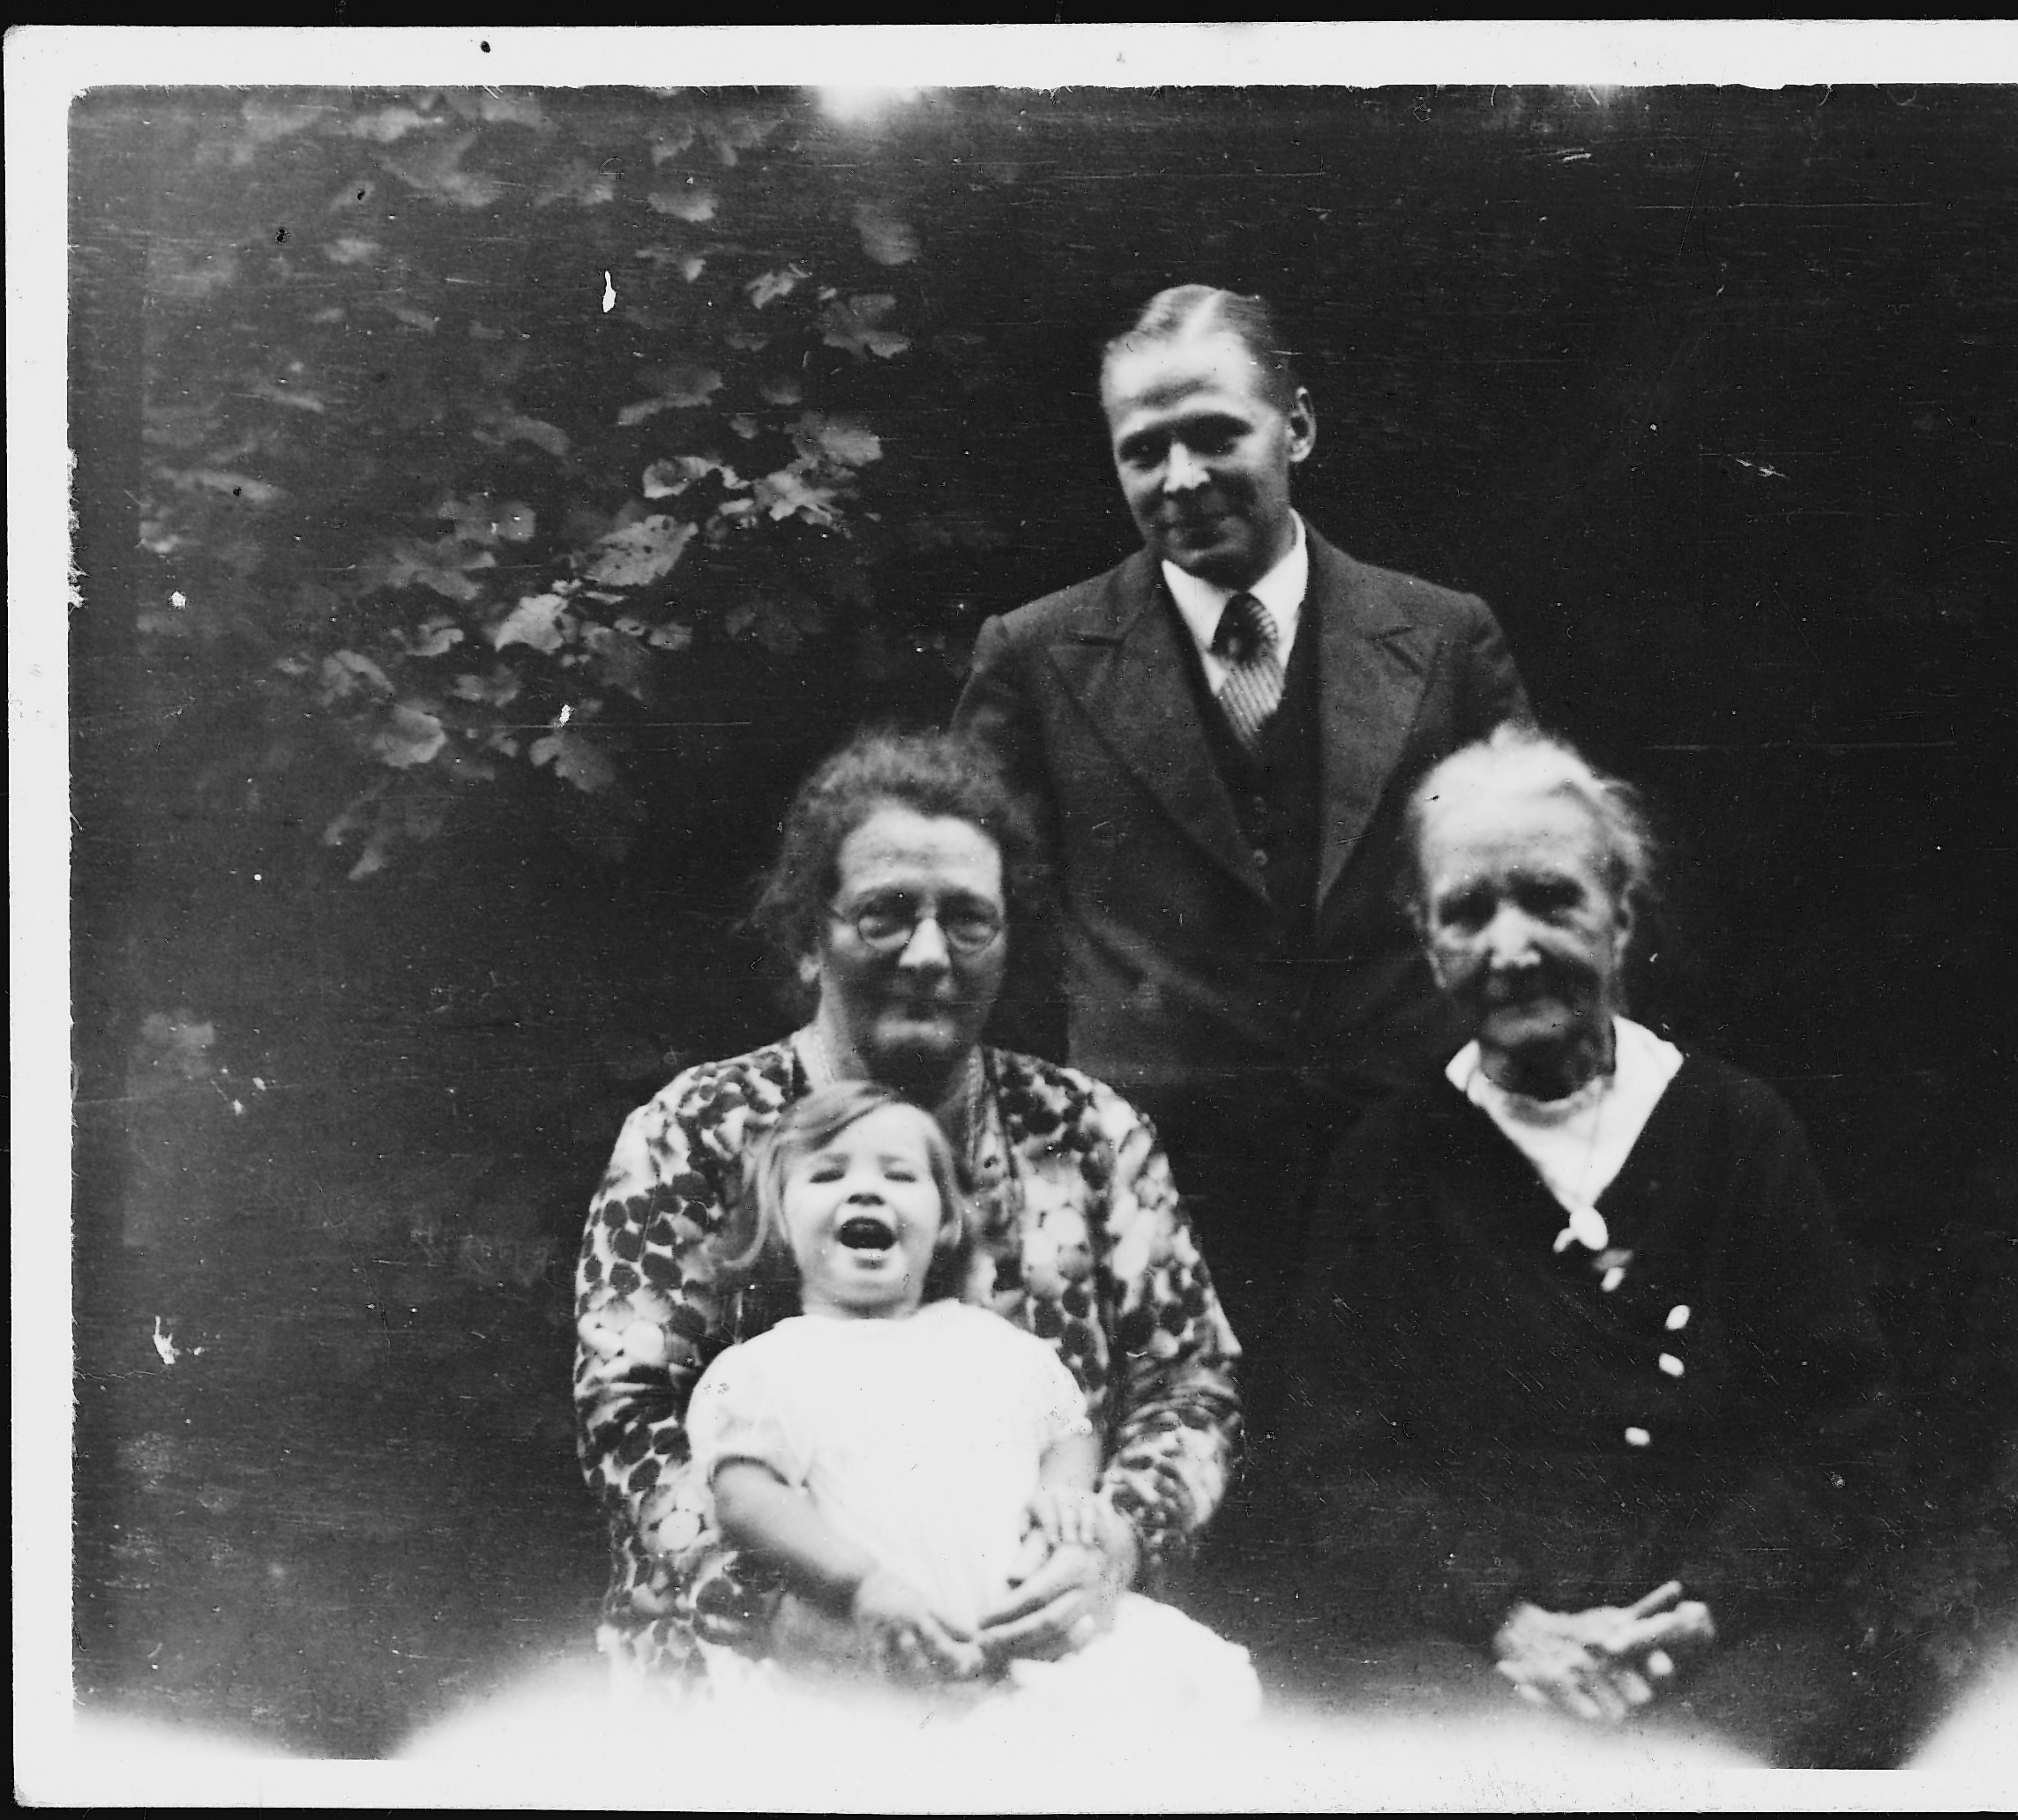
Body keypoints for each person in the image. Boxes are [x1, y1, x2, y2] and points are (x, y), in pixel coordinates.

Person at [1280, 723, 1900, 1767]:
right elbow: (1343, 1465)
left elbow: (1841, 1434)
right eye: (1468, 912)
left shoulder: (1737, 1132)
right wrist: (1509, 1626)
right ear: (1428, 942)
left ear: (1620, 914)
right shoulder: (1385, 1168)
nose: (1510, 948)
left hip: (1721, 1645)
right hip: (1473, 1656)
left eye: (1551, 898)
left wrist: (1703, 1611)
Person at [573, 727, 1241, 1687]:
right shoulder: (695, 1133)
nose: (930, 953)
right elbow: (628, 1420)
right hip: (763, 1666)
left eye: (969, 919)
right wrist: (774, 1613)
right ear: (810, 936)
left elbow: (1194, 1388)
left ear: (1009, 941)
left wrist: (1114, 1545)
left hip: (1041, 1655)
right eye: (887, 913)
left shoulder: (1091, 1135)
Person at [949, 285, 1534, 1367]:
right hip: (1148, 1188)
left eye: (1217, 435)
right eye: (1144, 451)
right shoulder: (1034, 657)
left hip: (1420, 1165)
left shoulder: (1447, 640)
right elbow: (980, 929)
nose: (1180, 481)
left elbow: (1544, 903)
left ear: (1297, 427)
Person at [686, 1080, 1258, 1723]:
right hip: (873, 1657)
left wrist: (1064, 1496)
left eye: (900, 1174)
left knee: (1184, 1701)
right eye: (827, 1174)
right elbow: (743, 1495)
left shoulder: (995, 1345)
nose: (867, 1188)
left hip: (1030, 1652)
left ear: (947, 1221)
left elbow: (1069, 1428)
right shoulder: (768, 1369)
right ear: (780, 1225)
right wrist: (860, 1587)